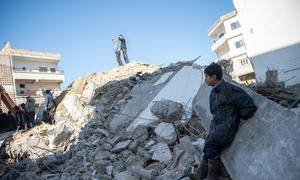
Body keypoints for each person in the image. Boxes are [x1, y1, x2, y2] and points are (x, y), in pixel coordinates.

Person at [185, 63, 257, 179]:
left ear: (213, 77)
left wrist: (236, 120)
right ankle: (200, 174)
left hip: (226, 128)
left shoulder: (230, 89)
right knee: (208, 145)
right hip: (217, 127)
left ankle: (211, 177)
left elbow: (249, 107)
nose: (205, 80)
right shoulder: (213, 93)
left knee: (211, 146)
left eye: (206, 77)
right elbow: (214, 112)